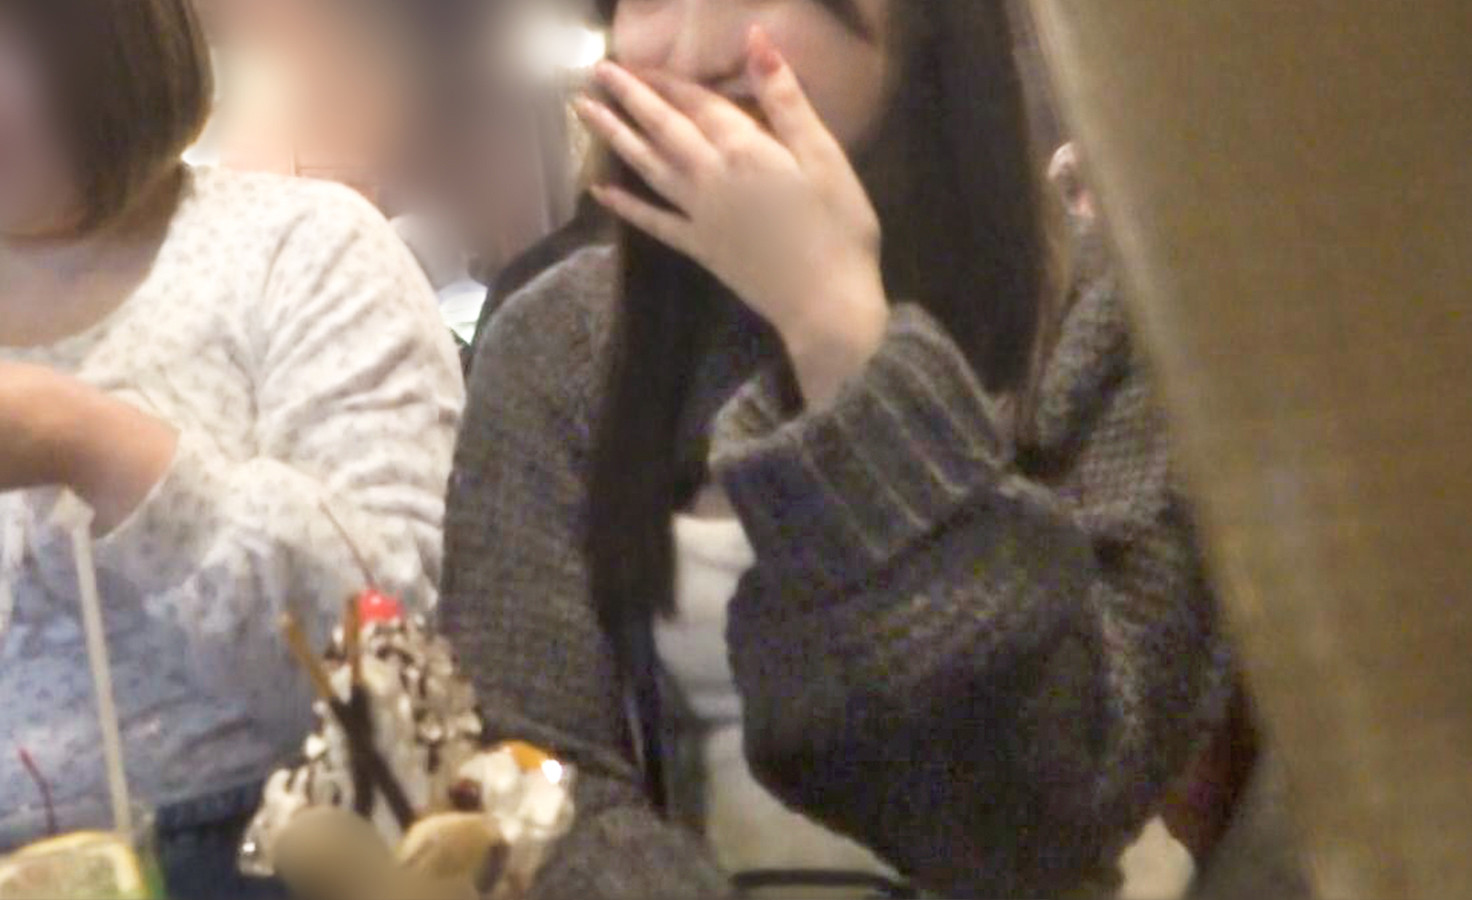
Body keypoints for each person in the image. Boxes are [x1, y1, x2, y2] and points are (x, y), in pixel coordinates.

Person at [440, 0, 1240, 897]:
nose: (695, 52)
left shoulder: (1113, 319)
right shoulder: (559, 344)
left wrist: (839, 335)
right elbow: (531, 783)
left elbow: (1055, 809)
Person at [0, 0, 464, 896]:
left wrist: (96, 449)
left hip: (258, 851)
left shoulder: (299, 250)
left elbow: (385, 654)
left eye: (1, 31)